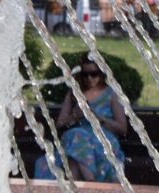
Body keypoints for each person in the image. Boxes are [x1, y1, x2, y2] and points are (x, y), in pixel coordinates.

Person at [34, 54, 128, 182]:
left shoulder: (111, 94)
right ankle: (89, 182)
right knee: (77, 136)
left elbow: (122, 128)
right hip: (77, 135)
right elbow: (59, 124)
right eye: (85, 74)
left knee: (74, 154)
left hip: (102, 137)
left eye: (93, 74)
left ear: (101, 73)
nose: (89, 78)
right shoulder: (74, 93)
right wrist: (75, 116)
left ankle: (81, 186)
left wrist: (99, 117)